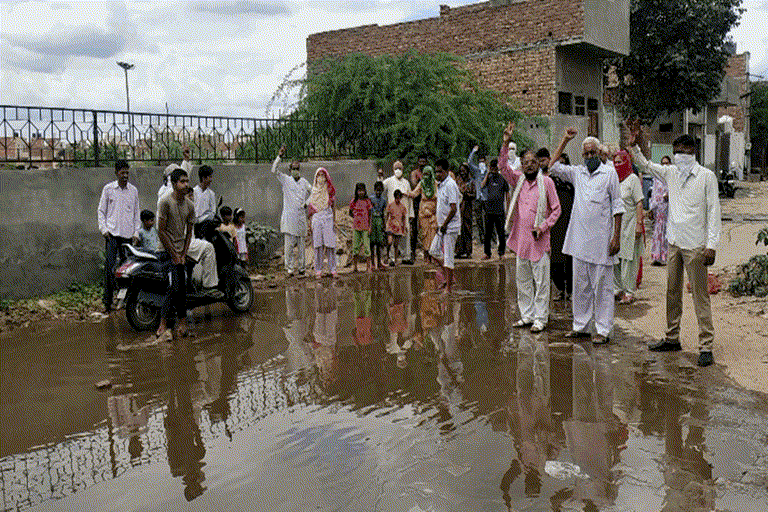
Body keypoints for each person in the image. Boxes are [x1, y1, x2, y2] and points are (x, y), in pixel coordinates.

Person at [628, 124, 720, 367]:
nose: (679, 156)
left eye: (684, 151)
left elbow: (713, 212)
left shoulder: (706, 177)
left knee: (700, 296)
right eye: (676, 151)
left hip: (696, 245)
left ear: (693, 152)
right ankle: (672, 337)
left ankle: (706, 345)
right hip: (674, 242)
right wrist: (635, 144)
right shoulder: (671, 173)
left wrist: (712, 245)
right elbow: (646, 165)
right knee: (671, 291)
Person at [549, 128, 624, 344]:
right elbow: (552, 166)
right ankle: (580, 326)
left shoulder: (609, 173)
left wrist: (616, 237)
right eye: (586, 154)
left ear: (599, 153)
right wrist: (564, 140)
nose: (590, 157)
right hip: (580, 241)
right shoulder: (578, 173)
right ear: (582, 156)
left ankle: (603, 330)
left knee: (602, 288)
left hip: (602, 241)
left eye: (593, 153)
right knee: (580, 286)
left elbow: (617, 207)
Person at [499, 125, 561, 333]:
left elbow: (556, 209)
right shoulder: (518, 181)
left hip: (539, 241)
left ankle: (540, 318)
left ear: (538, 164)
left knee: (542, 283)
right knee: (523, 281)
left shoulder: (547, 182)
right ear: (522, 166)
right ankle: (527, 316)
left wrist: (543, 227)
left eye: (533, 162)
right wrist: (506, 142)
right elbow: (503, 167)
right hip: (521, 241)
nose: (529, 165)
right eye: (525, 163)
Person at [98, 159, 140, 313]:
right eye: (122, 172)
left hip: (128, 237)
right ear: (116, 173)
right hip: (112, 236)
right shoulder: (108, 189)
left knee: (127, 270)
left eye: (127, 172)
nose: (125, 175)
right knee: (110, 268)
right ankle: (107, 302)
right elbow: (101, 211)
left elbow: (136, 213)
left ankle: (123, 300)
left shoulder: (133, 191)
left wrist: (136, 232)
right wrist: (104, 230)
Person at [157, 168, 194, 338]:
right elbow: (161, 231)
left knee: (182, 287)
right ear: (173, 184)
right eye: (182, 181)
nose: (186, 184)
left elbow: (189, 232)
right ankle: (163, 323)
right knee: (173, 286)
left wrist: (183, 254)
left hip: (180, 253)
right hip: (166, 251)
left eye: (187, 181)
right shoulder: (165, 202)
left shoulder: (190, 205)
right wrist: (174, 254)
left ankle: (182, 321)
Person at [539, 147, 574, 300]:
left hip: (568, 224)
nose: (543, 163)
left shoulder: (568, 182)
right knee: (554, 259)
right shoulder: (543, 182)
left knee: (569, 258)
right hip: (551, 226)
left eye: (544, 160)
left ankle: (571, 290)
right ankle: (560, 289)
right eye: (540, 161)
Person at [271, 145, 312, 276]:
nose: (295, 170)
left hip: (300, 217)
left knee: (301, 245)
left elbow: (314, 193)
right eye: (293, 168)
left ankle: (301, 268)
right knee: (289, 246)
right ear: (290, 170)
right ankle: (289, 268)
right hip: (289, 218)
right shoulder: (286, 180)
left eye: (297, 168)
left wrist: (307, 203)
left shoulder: (304, 182)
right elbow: (274, 170)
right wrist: (280, 156)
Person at [613, 150, 644, 304]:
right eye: (616, 162)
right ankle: (617, 289)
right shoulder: (614, 179)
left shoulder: (632, 179)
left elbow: (639, 202)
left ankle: (629, 291)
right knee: (615, 258)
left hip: (630, 225)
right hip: (616, 226)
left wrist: (639, 224)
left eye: (620, 162)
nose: (618, 165)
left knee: (629, 260)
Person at [431, 158, 461, 293]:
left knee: (448, 257)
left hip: (450, 227)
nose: (437, 174)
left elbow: (453, 208)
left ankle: (448, 288)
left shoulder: (450, 185)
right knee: (433, 251)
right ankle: (449, 278)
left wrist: (444, 224)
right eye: (436, 172)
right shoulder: (441, 184)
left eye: (440, 172)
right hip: (442, 227)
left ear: (446, 171)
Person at [307, 167, 337, 278]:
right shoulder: (313, 191)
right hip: (316, 218)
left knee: (330, 244)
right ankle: (318, 270)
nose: (321, 177)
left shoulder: (329, 190)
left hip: (328, 216)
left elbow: (333, 205)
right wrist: (310, 223)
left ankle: (333, 269)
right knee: (318, 245)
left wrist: (334, 220)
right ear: (315, 177)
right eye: (318, 175)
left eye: (323, 175)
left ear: (326, 177)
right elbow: (310, 210)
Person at [382, 161, 414, 264]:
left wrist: (411, 214)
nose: (398, 170)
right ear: (393, 169)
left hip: (404, 214)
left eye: (400, 168)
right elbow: (380, 187)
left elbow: (410, 199)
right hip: (393, 215)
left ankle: (406, 256)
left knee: (405, 234)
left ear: (403, 169)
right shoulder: (389, 181)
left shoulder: (406, 183)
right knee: (393, 236)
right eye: (396, 168)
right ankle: (392, 258)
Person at [481, 158, 509, 260]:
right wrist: (488, 173)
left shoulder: (503, 178)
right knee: (487, 233)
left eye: (495, 167)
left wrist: (508, 208)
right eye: (492, 167)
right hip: (489, 210)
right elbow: (482, 185)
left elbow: (507, 194)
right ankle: (487, 253)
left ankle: (501, 253)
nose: (494, 169)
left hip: (500, 211)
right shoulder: (489, 177)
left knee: (501, 233)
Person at [409, 165, 438, 264]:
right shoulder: (421, 184)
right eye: (424, 174)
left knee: (433, 235)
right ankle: (426, 256)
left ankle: (433, 256)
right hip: (423, 213)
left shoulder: (435, 184)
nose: (426, 176)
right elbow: (414, 194)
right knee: (425, 235)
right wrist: (405, 193)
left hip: (433, 213)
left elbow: (439, 197)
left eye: (427, 174)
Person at [649, 155, 671, 265]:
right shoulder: (657, 179)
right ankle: (656, 257)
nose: (665, 165)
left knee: (666, 234)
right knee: (658, 233)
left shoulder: (672, 177)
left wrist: (669, 196)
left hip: (669, 211)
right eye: (663, 163)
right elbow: (654, 194)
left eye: (667, 163)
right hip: (659, 212)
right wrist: (651, 209)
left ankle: (665, 257)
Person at [467, 145, 490, 247]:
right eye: (479, 161)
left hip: (487, 198)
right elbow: (469, 162)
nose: (481, 163)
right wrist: (473, 151)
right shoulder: (476, 171)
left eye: (483, 161)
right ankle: (482, 238)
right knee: (479, 219)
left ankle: (490, 238)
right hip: (478, 198)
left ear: (485, 162)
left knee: (488, 218)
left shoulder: (488, 172)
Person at [349, 182, 373, 273]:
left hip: (365, 228)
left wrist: (370, 226)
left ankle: (368, 267)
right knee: (355, 247)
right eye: (359, 191)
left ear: (365, 191)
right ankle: (355, 267)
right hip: (356, 228)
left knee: (367, 247)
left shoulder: (367, 201)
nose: (361, 193)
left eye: (362, 190)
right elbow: (350, 212)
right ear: (356, 191)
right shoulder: (353, 201)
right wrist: (356, 218)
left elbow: (370, 215)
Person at [455, 163, 475, 258]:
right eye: (461, 171)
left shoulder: (471, 182)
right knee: (459, 229)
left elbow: (474, 195)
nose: (462, 173)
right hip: (458, 208)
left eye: (464, 171)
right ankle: (459, 251)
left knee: (467, 228)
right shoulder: (457, 181)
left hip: (467, 207)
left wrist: (466, 194)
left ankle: (468, 251)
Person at [409, 155, 427, 262]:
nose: (422, 163)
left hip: (426, 202)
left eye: (424, 161)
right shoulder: (414, 173)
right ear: (418, 162)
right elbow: (414, 184)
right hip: (416, 202)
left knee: (426, 228)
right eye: (420, 161)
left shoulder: (429, 172)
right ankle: (413, 253)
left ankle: (427, 253)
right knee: (414, 229)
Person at [386, 189, 408, 266]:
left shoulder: (403, 207)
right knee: (390, 242)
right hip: (391, 226)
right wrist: (386, 224)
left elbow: (404, 218)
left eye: (399, 198)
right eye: (396, 198)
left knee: (396, 244)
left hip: (398, 228)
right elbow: (387, 215)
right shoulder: (391, 205)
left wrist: (404, 228)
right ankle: (387, 256)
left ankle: (395, 259)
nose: (397, 200)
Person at [192, 165, 216, 238]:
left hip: (206, 226)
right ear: (203, 178)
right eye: (210, 177)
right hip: (193, 225)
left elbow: (213, 212)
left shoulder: (211, 194)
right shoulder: (193, 192)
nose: (211, 179)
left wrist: (201, 219)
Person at [369, 181, 387, 270]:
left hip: (379, 220)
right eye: (377, 190)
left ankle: (379, 262)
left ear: (382, 190)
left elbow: (383, 213)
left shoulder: (383, 200)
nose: (378, 192)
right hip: (373, 220)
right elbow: (369, 212)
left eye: (380, 190)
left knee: (379, 243)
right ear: (374, 190)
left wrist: (384, 223)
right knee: (372, 243)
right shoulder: (371, 198)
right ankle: (372, 263)